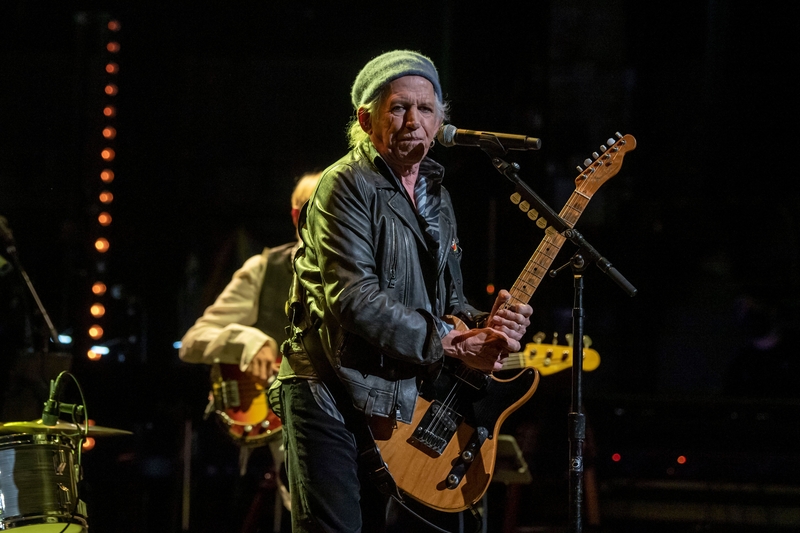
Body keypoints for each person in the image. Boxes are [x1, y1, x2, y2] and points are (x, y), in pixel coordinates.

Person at [274, 50, 534, 533]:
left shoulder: (438, 194)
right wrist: (455, 343)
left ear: (441, 122)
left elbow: (447, 304)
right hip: (327, 388)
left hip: (400, 395)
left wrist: (486, 324)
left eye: (426, 109)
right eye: (398, 107)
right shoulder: (344, 185)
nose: (413, 120)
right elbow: (354, 298)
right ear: (366, 118)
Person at [179, 171, 321, 533]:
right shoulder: (264, 268)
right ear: (296, 217)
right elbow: (195, 340)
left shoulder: (364, 277)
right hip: (284, 434)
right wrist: (248, 340)